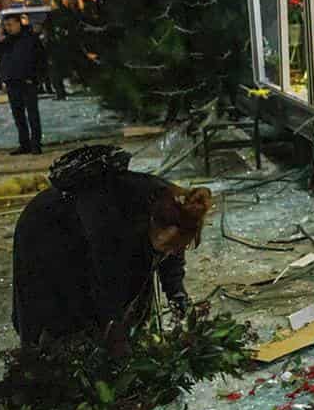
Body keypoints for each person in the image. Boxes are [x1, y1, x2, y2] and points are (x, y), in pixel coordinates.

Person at [11, 145, 211, 346]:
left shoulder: (175, 209)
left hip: (100, 232)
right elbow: (107, 282)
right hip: (48, 232)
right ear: (150, 223)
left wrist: (177, 295)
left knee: (125, 319)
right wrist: (113, 327)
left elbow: (169, 254)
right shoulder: (111, 224)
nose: (171, 251)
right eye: (168, 245)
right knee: (59, 318)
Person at [0, 14, 47, 155]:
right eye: (6, 25)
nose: (8, 28)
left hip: (27, 81)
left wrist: (35, 78)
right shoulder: (5, 41)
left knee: (32, 114)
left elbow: (40, 59)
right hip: (12, 81)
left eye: (10, 24)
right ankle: (24, 143)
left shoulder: (30, 38)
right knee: (18, 115)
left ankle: (36, 144)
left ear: (18, 23)